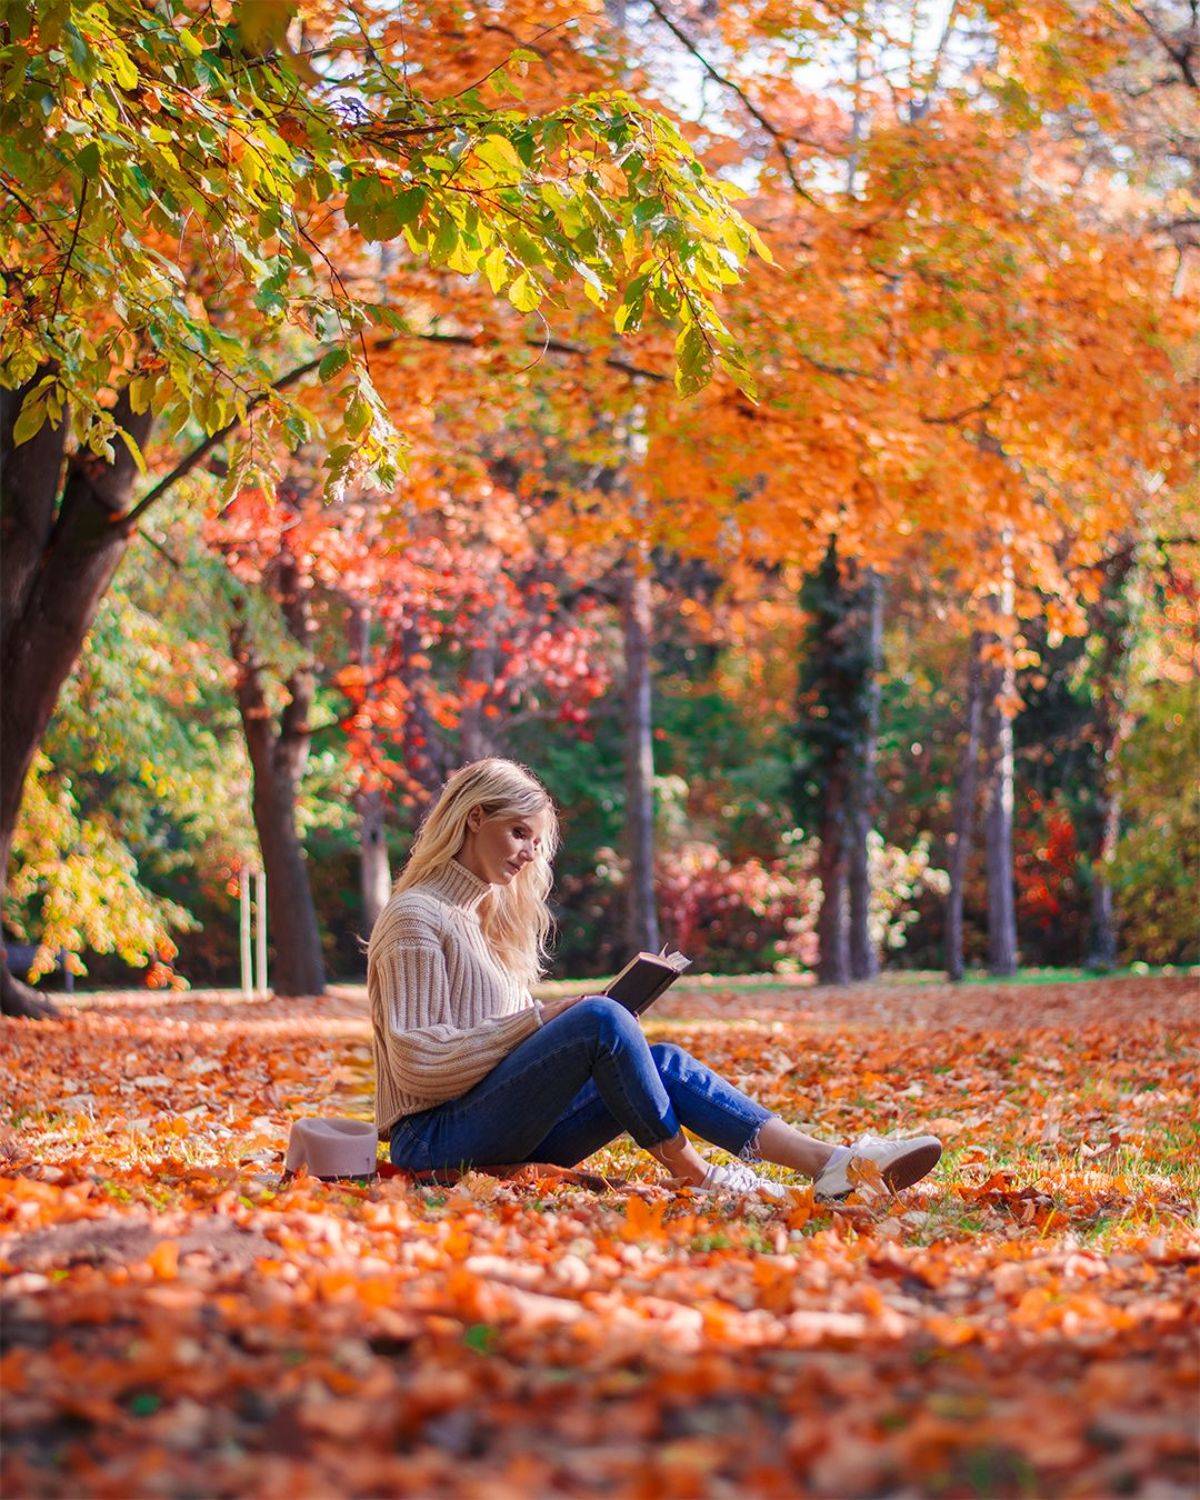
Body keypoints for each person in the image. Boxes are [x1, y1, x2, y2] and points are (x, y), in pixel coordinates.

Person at [369, 758, 942, 1203]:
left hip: (497, 1128)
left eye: (535, 843)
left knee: (659, 1059)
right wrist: (547, 1018)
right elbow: (419, 1062)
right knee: (597, 1017)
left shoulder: (483, 921)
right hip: (435, 1142)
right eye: (519, 833)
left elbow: (504, 1057)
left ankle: (832, 1164)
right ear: (474, 818)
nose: (527, 854)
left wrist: (553, 1027)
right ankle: (693, 1173)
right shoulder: (417, 916)